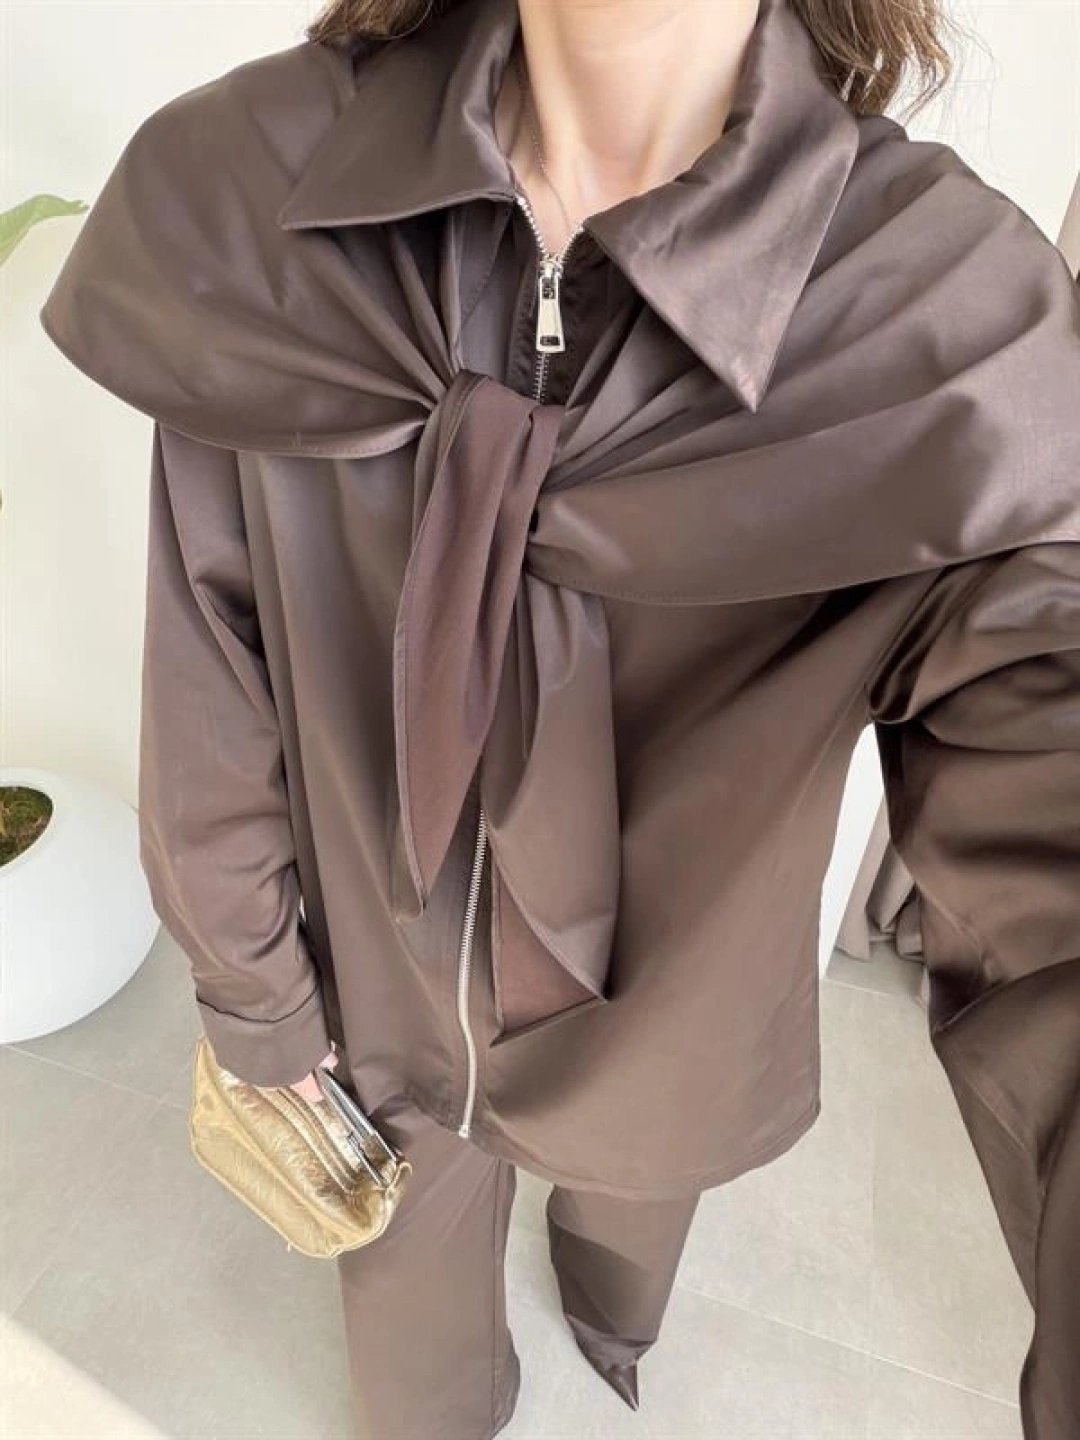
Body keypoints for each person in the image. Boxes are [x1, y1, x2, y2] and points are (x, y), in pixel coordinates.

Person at [38, 0, 1080, 1437]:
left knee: (628, 1229)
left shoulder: (941, 320)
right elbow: (212, 655)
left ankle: (611, 1319)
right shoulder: (263, 182)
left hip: (674, 1015)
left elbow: (1046, 757)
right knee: (415, 1368)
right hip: (376, 997)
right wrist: (256, 998)